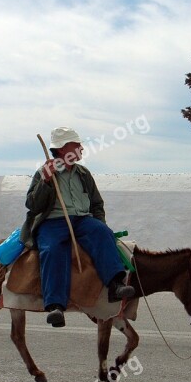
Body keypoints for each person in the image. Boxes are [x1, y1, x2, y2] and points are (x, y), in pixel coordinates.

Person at [19, 126, 135, 327]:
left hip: (82, 221)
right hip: (53, 222)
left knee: (103, 233)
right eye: (76, 144)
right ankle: (55, 305)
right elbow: (33, 205)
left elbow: (97, 203)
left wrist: (99, 223)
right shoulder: (44, 172)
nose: (81, 148)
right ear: (63, 149)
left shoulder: (83, 173)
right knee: (52, 249)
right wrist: (46, 181)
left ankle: (115, 285)